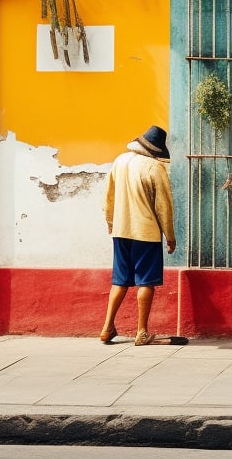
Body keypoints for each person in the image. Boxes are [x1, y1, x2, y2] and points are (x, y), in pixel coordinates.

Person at [100, 125, 176, 346]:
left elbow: (109, 198)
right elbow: (164, 206)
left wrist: (111, 222)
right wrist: (170, 235)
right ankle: (141, 332)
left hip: (121, 230)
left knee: (120, 281)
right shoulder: (155, 168)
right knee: (146, 282)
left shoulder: (119, 161)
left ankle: (106, 328)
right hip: (146, 232)